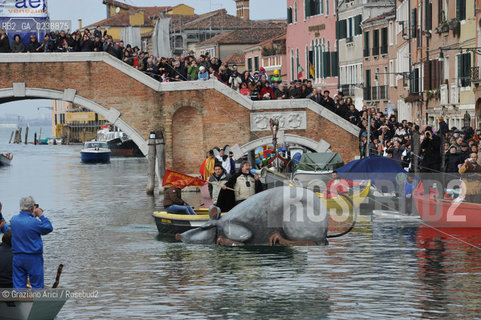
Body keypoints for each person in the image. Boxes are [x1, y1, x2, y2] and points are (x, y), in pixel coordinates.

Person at [10, 196, 53, 289]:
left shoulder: (13, 220)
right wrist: (41, 215)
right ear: (32, 207)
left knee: (18, 286)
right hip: (33, 257)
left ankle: (19, 302)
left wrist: (32, 214)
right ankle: (37, 302)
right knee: (37, 286)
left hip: (18, 257)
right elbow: (48, 228)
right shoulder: (35, 222)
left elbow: (25, 223)